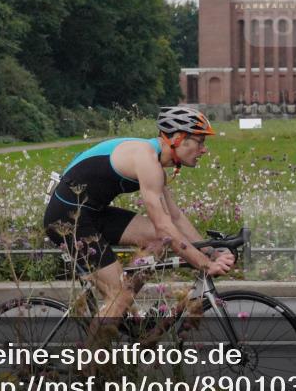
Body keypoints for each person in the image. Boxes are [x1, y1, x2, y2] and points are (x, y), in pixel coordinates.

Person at [43, 106, 235, 319]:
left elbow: (176, 218)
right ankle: (109, 321)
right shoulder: (146, 159)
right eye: (200, 142)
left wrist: (210, 252)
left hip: (92, 213)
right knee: (119, 296)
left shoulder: (155, 164)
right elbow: (164, 226)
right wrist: (204, 263)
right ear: (178, 138)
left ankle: (124, 313)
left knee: (158, 242)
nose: (204, 150)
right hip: (66, 219)